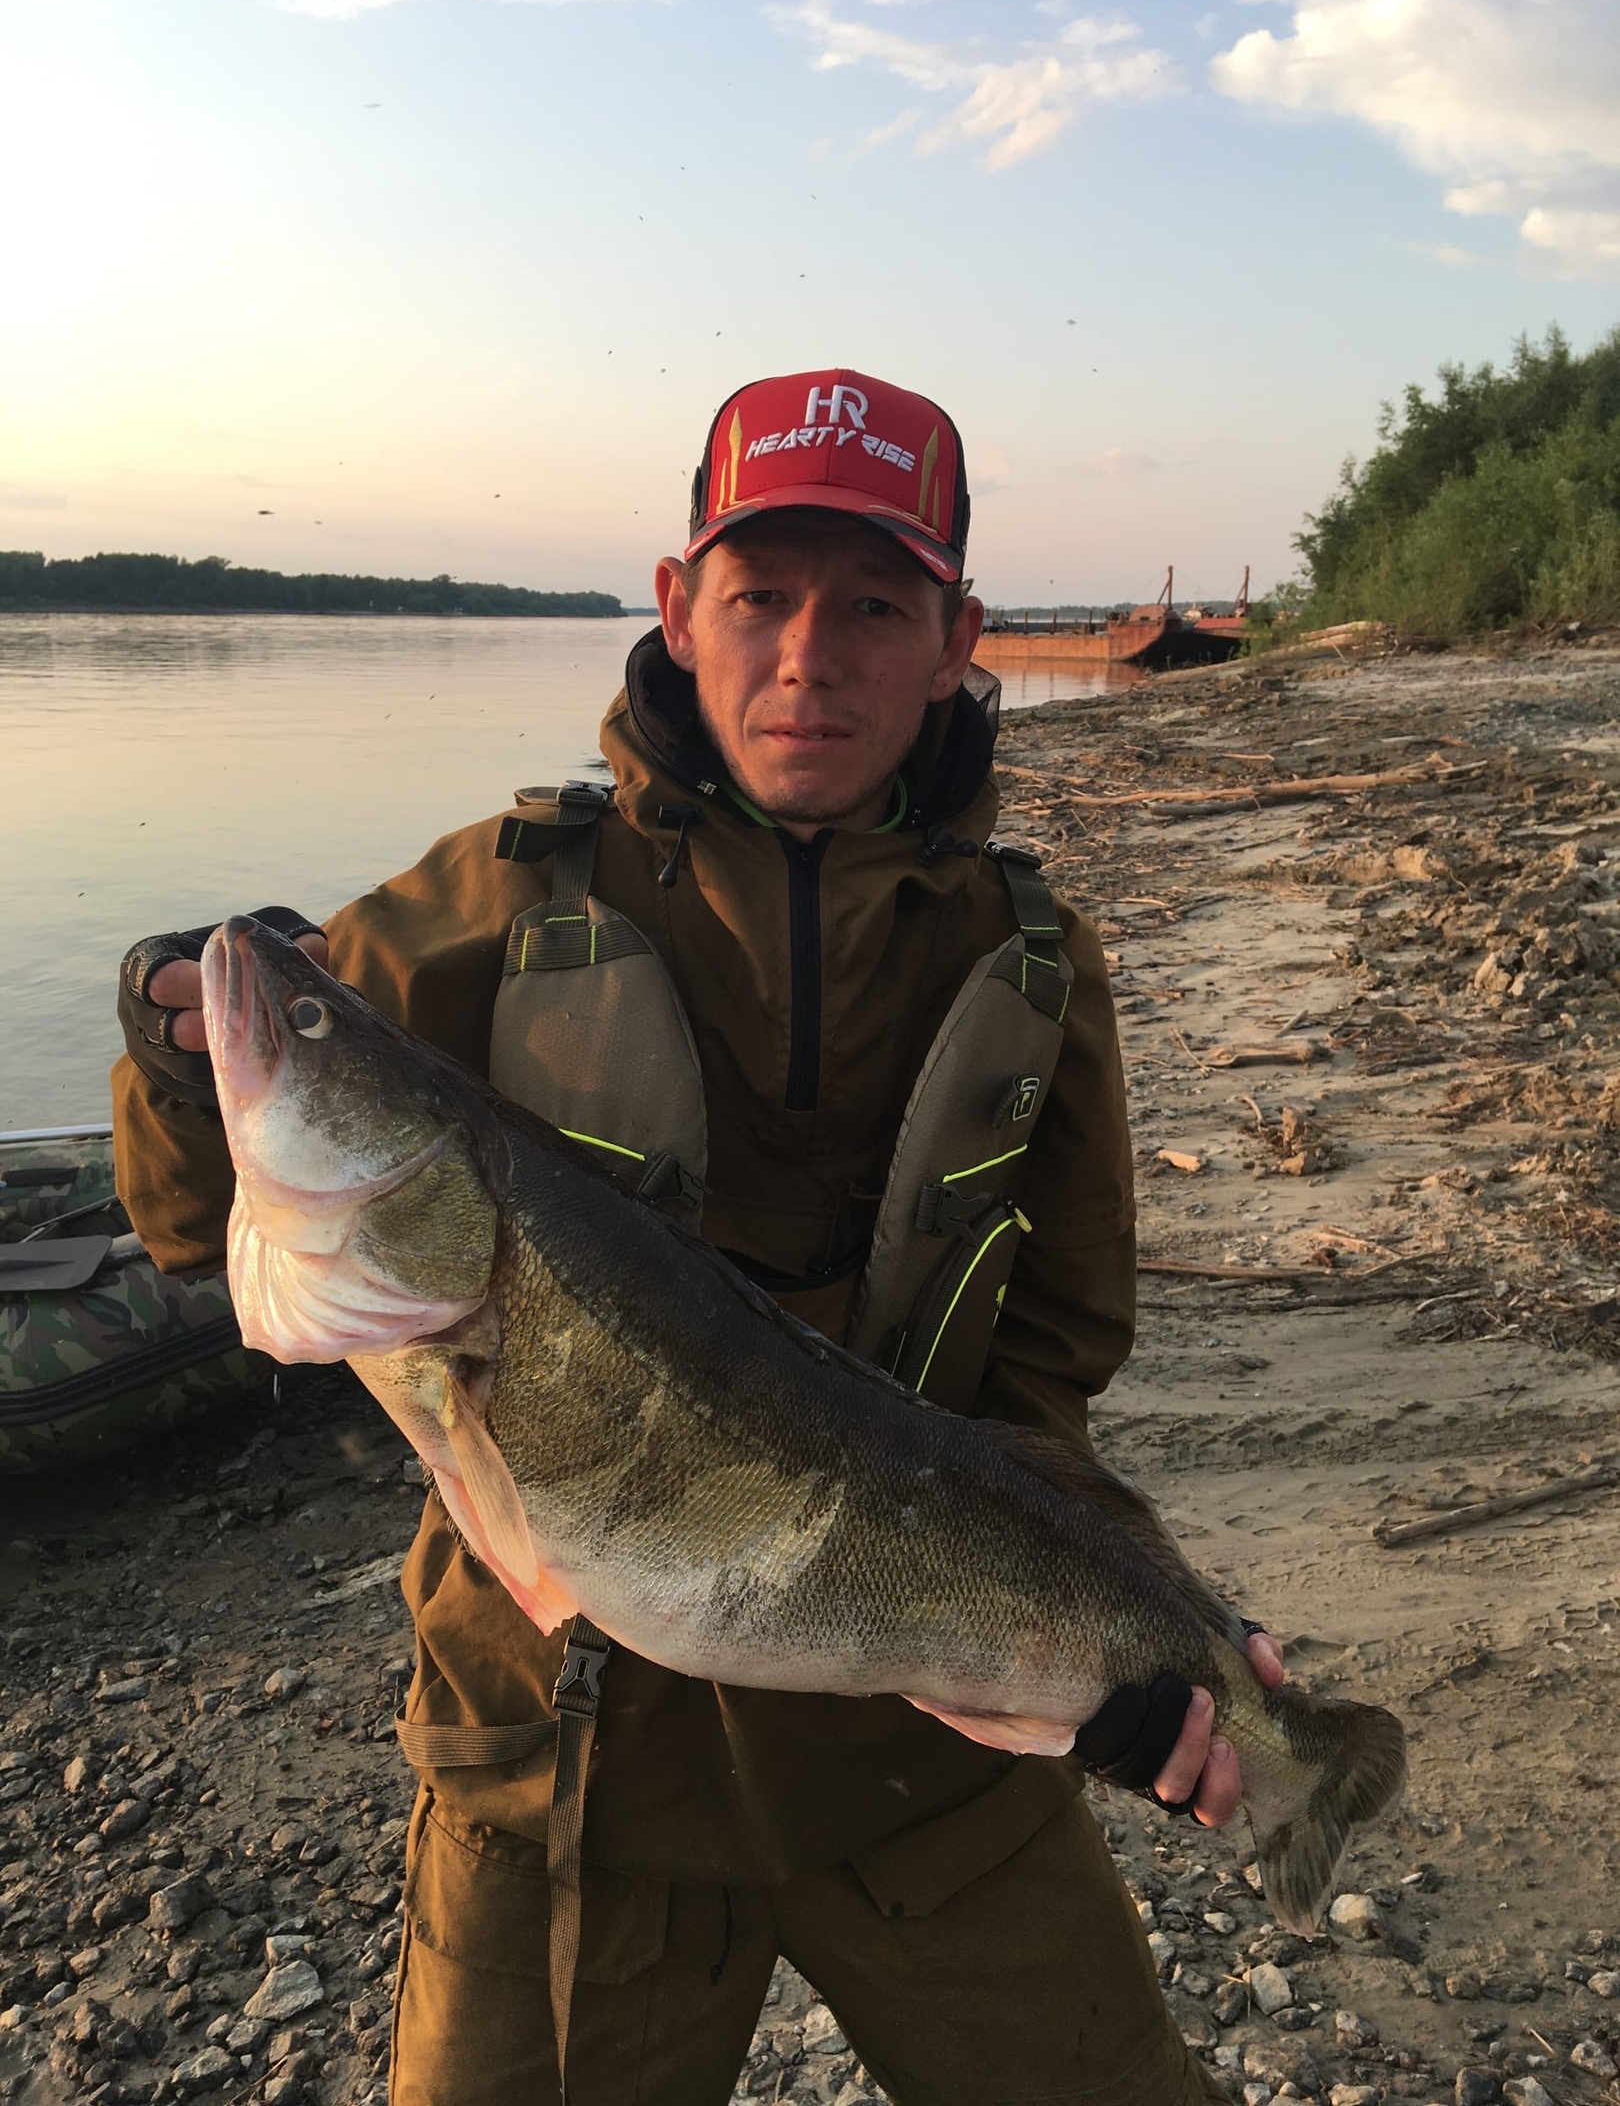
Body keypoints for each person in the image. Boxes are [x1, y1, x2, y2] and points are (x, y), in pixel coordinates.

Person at [113, 368, 1284, 2106]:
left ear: (958, 634)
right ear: (679, 607)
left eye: (876, 605)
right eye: (762, 597)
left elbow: (1047, 1362)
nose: (811, 653)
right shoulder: (488, 903)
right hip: (568, 1771)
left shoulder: (1037, 967)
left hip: (927, 1777)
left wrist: (1106, 1654)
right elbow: (197, 1223)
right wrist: (170, 1048)